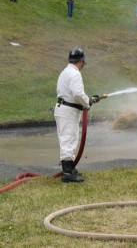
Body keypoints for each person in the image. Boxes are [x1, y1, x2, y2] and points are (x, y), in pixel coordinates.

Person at [54, 47, 102, 183]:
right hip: (68, 111)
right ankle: (67, 172)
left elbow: (73, 94)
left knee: (70, 138)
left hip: (66, 109)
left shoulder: (65, 72)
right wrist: (88, 101)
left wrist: (88, 99)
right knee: (68, 140)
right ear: (81, 62)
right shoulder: (75, 74)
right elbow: (77, 94)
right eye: (83, 63)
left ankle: (70, 168)